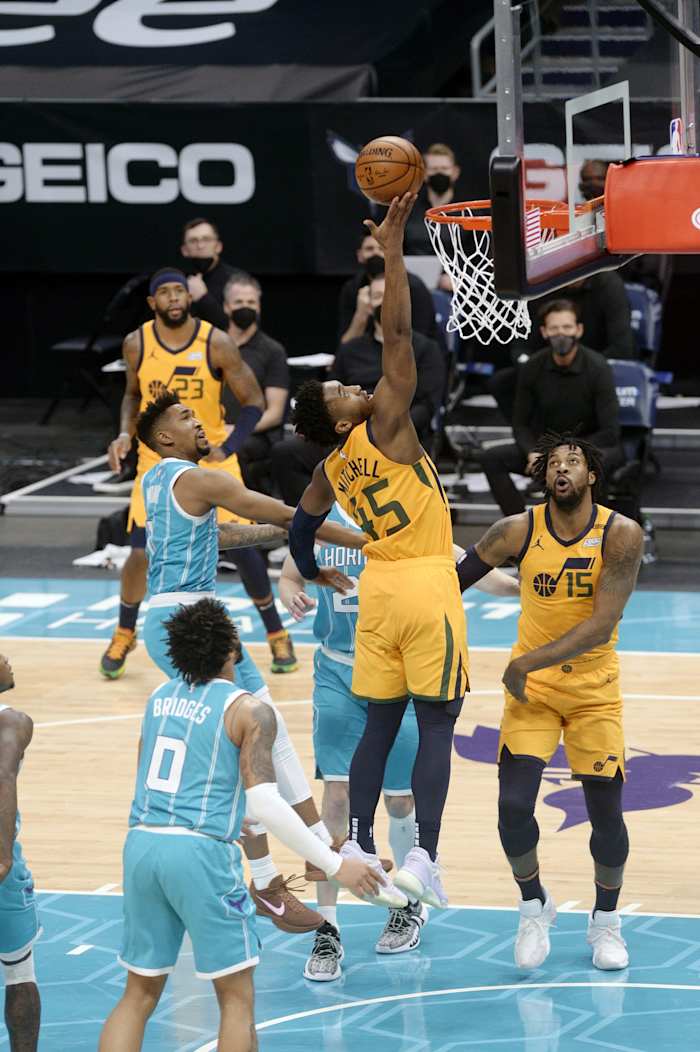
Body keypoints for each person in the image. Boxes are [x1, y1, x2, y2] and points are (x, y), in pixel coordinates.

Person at [289, 192, 468, 911]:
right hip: (425, 582)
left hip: (377, 597)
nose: (353, 382)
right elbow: (399, 334)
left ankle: (359, 841)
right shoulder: (387, 423)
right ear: (338, 416)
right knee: (437, 724)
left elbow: (300, 530)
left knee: (381, 724)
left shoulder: (330, 470)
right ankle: (423, 854)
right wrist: (395, 253)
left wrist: (315, 568)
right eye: (341, 387)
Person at [98, 599, 382, 1052]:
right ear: (232, 649)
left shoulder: (158, 698)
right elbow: (265, 800)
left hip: (141, 845)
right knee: (235, 999)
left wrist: (228, 810)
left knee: (139, 993)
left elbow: (151, 776)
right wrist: (331, 863)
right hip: (199, 855)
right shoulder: (248, 709)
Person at [133, 389, 369, 931]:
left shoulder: (156, 482)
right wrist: (365, 539)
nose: (200, 421)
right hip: (185, 622)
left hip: (195, 618)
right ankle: (269, 877)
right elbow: (286, 511)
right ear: (164, 437)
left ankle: (316, 849)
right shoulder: (200, 478)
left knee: (269, 728)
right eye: (187, 417)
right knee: (248, 743)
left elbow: (229, 534)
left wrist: (296, 539)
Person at [281, 509, 520, 978]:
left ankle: (409, 897)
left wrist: (523, 590)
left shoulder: (402, 515)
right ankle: (327, 929)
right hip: (336, 672)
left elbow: (463, 565)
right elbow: (291, 573)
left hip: (399, 673)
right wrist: (293, 595)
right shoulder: (317, 516)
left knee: (400, 799)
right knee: (335, 797)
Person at [457, 433, 643, 971]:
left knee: (606, 817)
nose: (563, 467)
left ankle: (606, 920)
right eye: (554, 463)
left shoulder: (621, 534)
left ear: (591, 477)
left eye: (574, 461)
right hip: (533, 693)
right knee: (513, 809)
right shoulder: (516, 529)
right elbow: (452, 581)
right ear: (544, 477)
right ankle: (534, 904)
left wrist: (521, 664)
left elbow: (602, 624)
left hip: (591, 691)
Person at [100, 267, 298, 680]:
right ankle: (124, 630)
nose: (174, 298)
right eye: (165, 293)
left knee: (242, 547)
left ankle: (276, 632)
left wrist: (231, 443)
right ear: (152, 302)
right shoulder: (137, 342)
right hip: (156, 460)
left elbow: (254, 400)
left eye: (180, 291)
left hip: (208, 456)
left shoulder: (216, 341)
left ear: (189, 298)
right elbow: (132, 395)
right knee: (139, 549)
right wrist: (123, 433)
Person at [480, 299, 622, 516]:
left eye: (566, 327)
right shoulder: (532, 367)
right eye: (554, 328)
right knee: (492, 458)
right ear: (544, 332)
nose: (561, 334)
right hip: (546, 447)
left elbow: (610, 431)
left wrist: (570, 454)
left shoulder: (598, 367)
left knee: (601, 460)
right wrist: (531, 452)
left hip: (587, 446)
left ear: (579, 329)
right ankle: (521, 524)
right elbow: (520, 423)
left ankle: (590, 527)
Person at [333, 271, 445, 441]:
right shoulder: (350, 349)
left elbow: (427, 405)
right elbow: (333, 397)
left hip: (403, 436)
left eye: (390, 296)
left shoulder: (426, 349)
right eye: (378, 296)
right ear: (369, 305)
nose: (386, 302)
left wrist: (386, 432)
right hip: (351, 434)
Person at [0, 654, 41, 1052]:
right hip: (2, 860)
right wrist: (3, 855)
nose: (8, 660)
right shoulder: (13, 721)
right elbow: (3, 774)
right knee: (19, 970)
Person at [222, 272, 290, 494]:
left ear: (259, 307)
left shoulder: (272, 351)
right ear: (226, 307)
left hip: (255, 436)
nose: (246, 307)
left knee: (232, 450)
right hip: (213, 430)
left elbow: (275, 413)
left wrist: (235, 431)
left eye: (251, 302)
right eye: (239, 302)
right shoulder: (212, 346)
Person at [338, 231, 437, 344]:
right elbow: (345, 348)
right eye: (369, 249)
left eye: (382, 248)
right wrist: (361, 315)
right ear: (360, 256)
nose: (376, 253)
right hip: (368, 356)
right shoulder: (352, 288)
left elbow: (420, 344)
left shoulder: (413, 287)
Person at [405, 142, 462, 255]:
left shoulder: (467, 212)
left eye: (444, 168)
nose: (439, 173)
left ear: (455, 172)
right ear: (424, 173)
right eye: (434, 169)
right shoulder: (409, 210)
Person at [180, 217, 236, 331]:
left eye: (206, 239)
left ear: (218, 246)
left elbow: (237, 328)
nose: (200, 246)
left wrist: (203, 298)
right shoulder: (177, 281)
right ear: (184, 250)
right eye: (193, 241)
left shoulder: (236, 280)